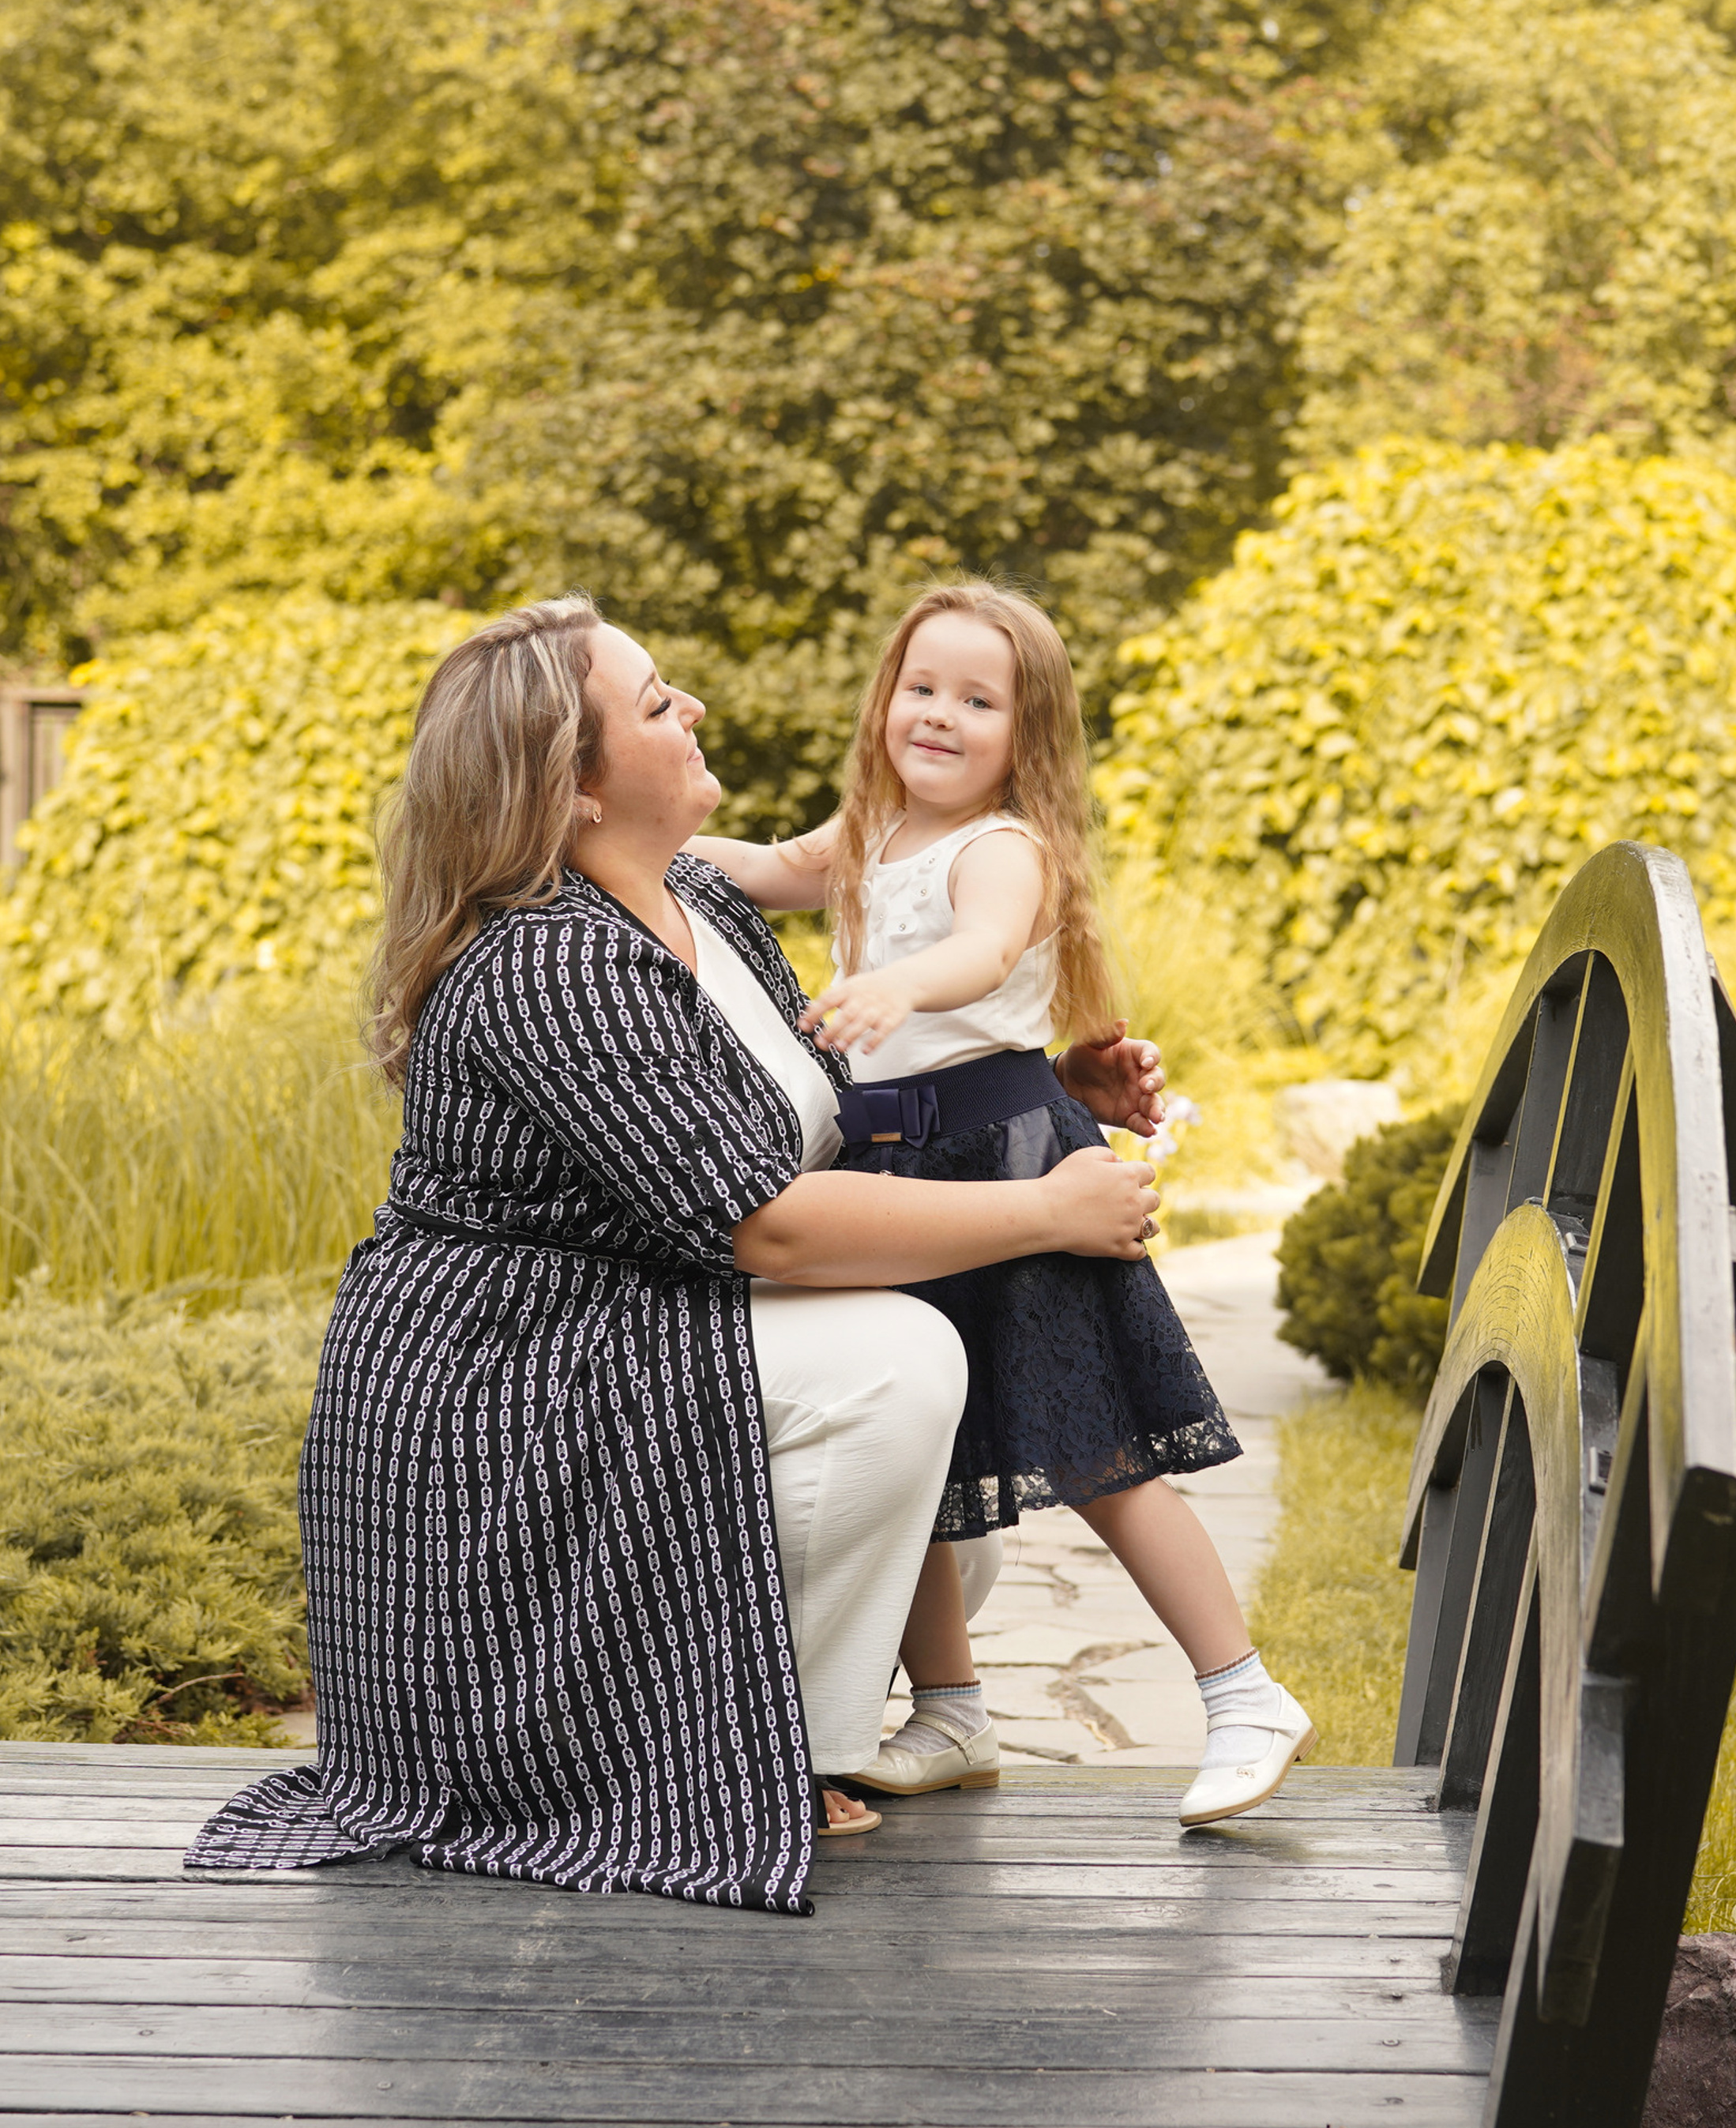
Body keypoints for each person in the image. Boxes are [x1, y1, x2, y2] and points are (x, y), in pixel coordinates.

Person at [184, 596, 1160, 1915]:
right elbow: (768, 1223)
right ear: (575, 787)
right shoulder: (551, 963)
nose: (692, 708)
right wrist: (1045, 1212)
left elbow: (832, 1109)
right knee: (900, 1368)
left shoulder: (694, 899)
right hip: (507, 1389)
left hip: (634, 1321)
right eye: (654, 703)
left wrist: (1046, 1093)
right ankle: (758, 1763)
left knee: (952, 1518)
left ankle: (761, 1725)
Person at [692, 581, 1314, 1829]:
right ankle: (953, 1711)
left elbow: (980, 950)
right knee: (918, 1444)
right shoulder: (871, 828)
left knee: (1102, 1446)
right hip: (901, 1169)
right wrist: (623, 837)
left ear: (1025, 737)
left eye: (979, 701)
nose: (940, 714)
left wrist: (900, 989)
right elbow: (766, 869)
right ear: (885, 700)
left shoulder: (1002, 848)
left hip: (1007, 1157)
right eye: (921, 687)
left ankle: (1243, 1692)